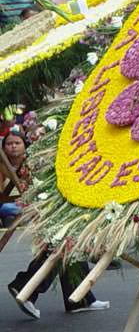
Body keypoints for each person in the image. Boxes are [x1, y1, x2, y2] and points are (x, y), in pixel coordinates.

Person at [6, 131, 109, 319]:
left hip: (54, 198)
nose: (13, 146)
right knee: (63, 243)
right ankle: (25, 286)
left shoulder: (33, 158)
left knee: (69, 242)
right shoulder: (27, 163)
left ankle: (79, 298)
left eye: (17, 142)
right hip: (48, 201)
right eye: (9, 143)